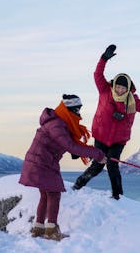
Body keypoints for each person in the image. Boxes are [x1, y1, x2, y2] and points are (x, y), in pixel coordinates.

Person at [72, 45, 140, 199]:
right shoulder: (104, 90)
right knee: (97, 166)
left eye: (123, 88)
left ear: (128, 88)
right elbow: (97, 74)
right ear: (114, 84)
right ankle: (78, 184)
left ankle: (118, 196)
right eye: (118, 86)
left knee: (112, 165)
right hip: (101, 137)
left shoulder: (133, 102)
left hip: (118, 140)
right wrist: (104, 58)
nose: (120, 90)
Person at [19, 94, 106, 241]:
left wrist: (85, 151)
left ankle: (38, 228)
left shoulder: (58, 122)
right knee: (54, 194)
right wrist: (97, 154)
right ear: (69, 110)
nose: (79, 114)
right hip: (43, 163)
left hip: (40, 162)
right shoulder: (56, 124)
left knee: (46, 195)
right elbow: (70, 146)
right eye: (77, 110)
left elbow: (68, 144)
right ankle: (51, 230)